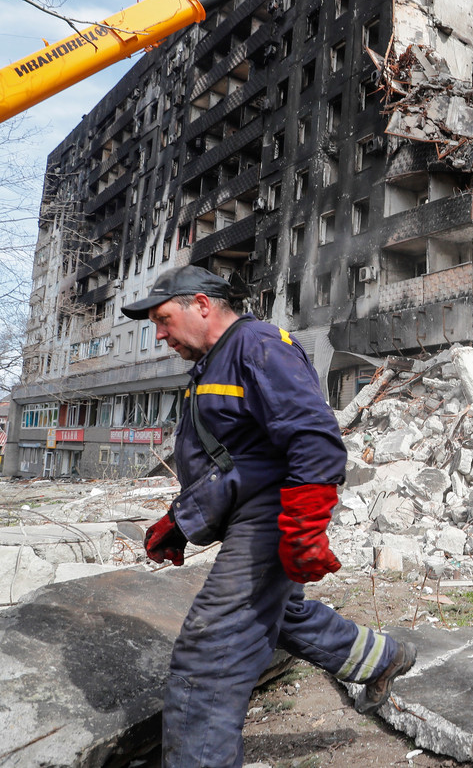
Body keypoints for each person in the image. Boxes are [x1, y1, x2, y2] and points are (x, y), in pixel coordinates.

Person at [123, 265, 416, 768]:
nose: (160, 334)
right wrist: (180, 519)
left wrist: (304, 526)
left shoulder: (258, 344)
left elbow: (315, 438)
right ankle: (383, 659)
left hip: (272, 514)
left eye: (164, 319)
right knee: (278, 617)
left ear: (201, 304)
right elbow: (236, 461)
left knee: (211, 649)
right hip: (253, 512)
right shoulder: (215, 363)